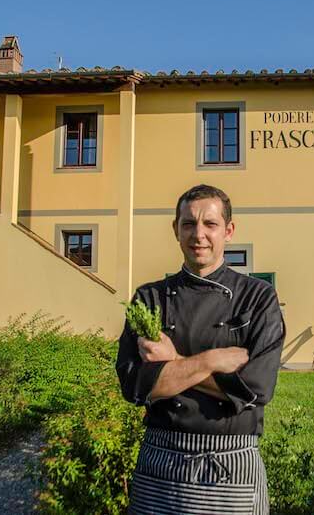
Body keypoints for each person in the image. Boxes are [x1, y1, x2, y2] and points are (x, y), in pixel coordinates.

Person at [116, 184, 286, 515]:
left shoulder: (258, 298)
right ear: (176, 230)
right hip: (161, 463)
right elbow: (134, 385)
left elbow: (256, 388)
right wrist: (214, 361)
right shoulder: (148, 300)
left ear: (229, 230)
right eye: (189, 224)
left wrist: (173, 363)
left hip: (230, 465)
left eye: (210, 224)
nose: (199, 235)